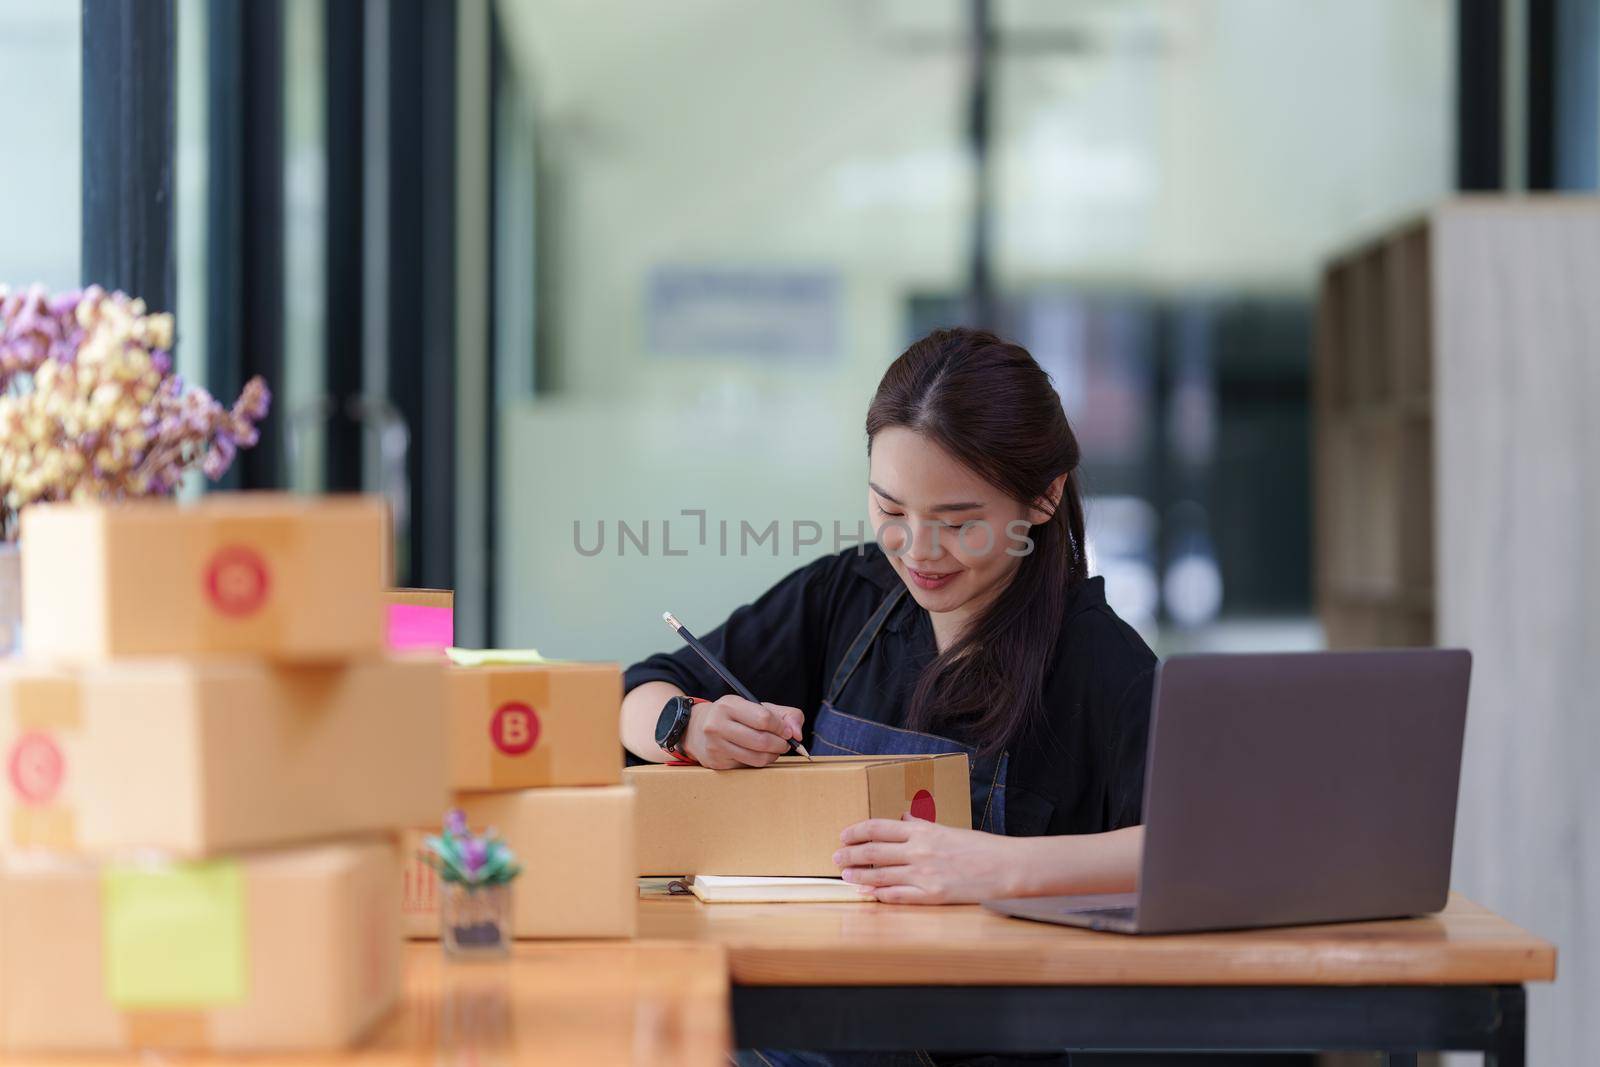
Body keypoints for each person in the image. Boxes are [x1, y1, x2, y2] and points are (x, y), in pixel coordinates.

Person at [620, 326, 1155, 907]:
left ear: (1044, 498)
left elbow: (1206, 849)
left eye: (956, 523)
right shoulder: (847, 593)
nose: (917, 550)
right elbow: (633, 697)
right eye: (890, 507)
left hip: (1006, 992)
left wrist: (1006, 866)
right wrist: (689, 727)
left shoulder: (1105, 665)